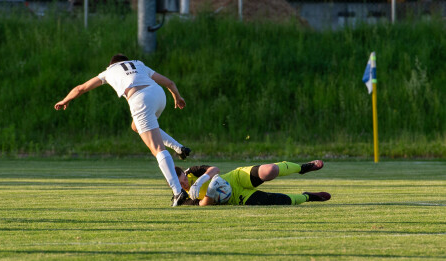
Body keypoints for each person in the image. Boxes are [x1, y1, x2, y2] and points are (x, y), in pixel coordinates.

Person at [54, 53, 190, 206]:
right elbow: (170, 83)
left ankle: (178, 192)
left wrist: (66, 100)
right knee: (136, 126)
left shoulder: (109, 71)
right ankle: (179, 148)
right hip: (159, 95)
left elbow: (81, 88)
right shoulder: (139, 64)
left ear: (111, 64)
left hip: (140, 99)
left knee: (157, 148)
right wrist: (177, 97)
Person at [174, 160, 331, 206]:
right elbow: (203, 205)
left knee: (270, 170)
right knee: (277, 201)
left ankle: (302, 168)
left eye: (184, 180)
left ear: (184, 173)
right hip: (237, 198)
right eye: (181, 184)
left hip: (235, 177)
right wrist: (211, 193)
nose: (185, 184)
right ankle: (307, 197)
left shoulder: (191, 172)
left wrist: (201, 180)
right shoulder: (181, 198)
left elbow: (215, 169)